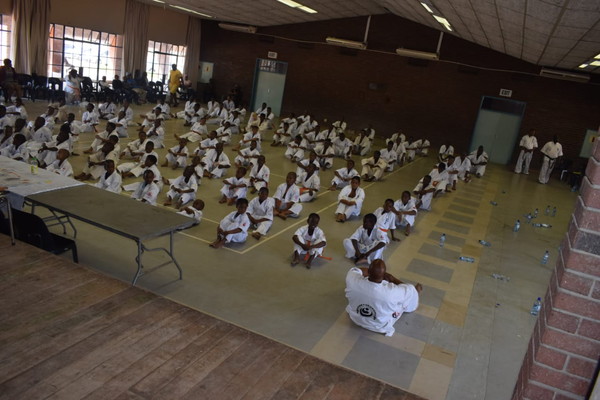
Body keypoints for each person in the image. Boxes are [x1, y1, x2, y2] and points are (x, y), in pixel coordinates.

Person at [345, 259, 422, 337]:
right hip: (379, 325)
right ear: (383, 275)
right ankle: (416, 293)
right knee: (409, 294)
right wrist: (392, 279)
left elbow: (357, 270)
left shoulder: (352, 280)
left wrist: (373, 271)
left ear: (369, 272)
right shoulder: (392, 291)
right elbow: (409, 289)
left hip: (356, 318)